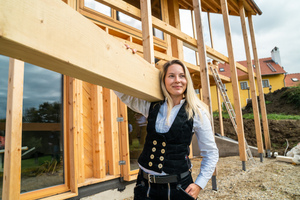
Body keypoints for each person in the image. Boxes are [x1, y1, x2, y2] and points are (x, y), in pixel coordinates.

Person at [114, 59, 218, 200]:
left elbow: (211, 152)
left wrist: (199, 184)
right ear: (163, 81)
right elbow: (123, 94)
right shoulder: (152, 106)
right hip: (145, 186)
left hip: (178, 188)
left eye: (182, 76)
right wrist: (124, 59)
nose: (177, 80)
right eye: (171, 76)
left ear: (187, 80)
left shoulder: (197, 113)